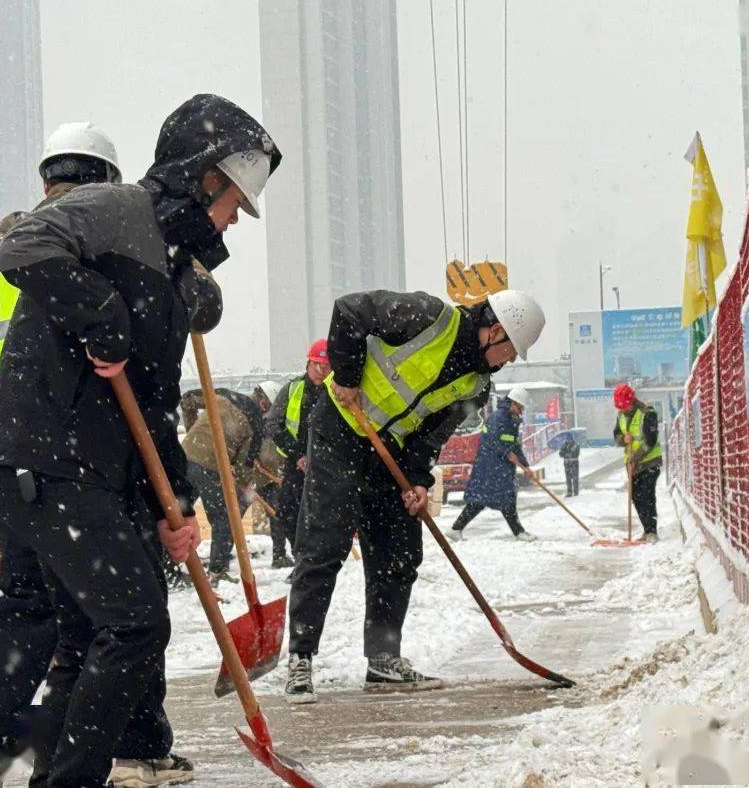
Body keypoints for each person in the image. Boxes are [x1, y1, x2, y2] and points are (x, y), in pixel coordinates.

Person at [0, 95, 280, 788]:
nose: (232, 222)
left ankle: (49, 768)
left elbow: (153, 406)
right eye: (232, 204)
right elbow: (24, 246)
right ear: (203, 177)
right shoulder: (117, 209)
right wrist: (99, 311)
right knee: (133, 622)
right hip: (47, 460)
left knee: (91, 631)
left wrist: (175, 506)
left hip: (76, 467)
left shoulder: (166, 261)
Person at [284, 289, 545, 704]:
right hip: (340, 430)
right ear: (494, 331)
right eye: (511, 351)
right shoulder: (427, 316)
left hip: (390, 454)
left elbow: (432, 435)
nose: (509, 361)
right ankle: (300, 658)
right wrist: (349, 377)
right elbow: (349, 311)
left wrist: (419, 479)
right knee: (324, 545)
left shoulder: (477, 384)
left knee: (399, 552)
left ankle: (384, 658)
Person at [180, 382, 278, 585]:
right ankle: (217, 570)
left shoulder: (223, 395)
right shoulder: (255, 424)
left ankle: (167, 568)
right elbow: (244, 467)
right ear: (264, 403)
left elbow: (187, 399)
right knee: (225, 517)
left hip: (184, 457)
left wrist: (193, 433)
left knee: (177, 512)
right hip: (211, 467)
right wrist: (243, 481)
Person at [265, 338, 329, 569]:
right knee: (288, 512)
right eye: (316, 365)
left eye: (326, 366)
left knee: (319, 516)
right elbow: (273, 425)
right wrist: (298, 455)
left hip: (327, 467)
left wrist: (318, 458)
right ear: (308, 364)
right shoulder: (293, 390)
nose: (321, 371)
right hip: (296, 465)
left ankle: (318, 561)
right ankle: (302, 559)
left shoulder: (338, 393)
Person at [446, 386, 537, 542]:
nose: (520, 411)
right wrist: (507, 454)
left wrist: (526, 465)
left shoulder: (511, 420)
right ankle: (518, 532)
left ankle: (456, 528)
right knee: (500, 498)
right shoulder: (498, 418)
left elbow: (515, 445)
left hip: (498, 467)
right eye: (520, 407)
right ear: (513, 403)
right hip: (490, 466)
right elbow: (491, 441)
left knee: (483, 500)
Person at [613, 383, 661, 543]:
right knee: (636, 497)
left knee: (647, 494)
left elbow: (650, 442)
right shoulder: (620, 415)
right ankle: (646, 530)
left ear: (632, 400)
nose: (623, 410)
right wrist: (622, 439)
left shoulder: (648, 414)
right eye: (621, 407)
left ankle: (651, 531)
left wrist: (634, 458)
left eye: (625, 406)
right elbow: (616, 436)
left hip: (649, 462)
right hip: (632, 465)